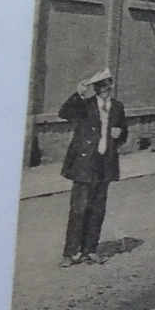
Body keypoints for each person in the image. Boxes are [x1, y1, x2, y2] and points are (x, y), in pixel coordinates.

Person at [58, 68, 128, 266]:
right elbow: (64, 113)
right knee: (79, 209)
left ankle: (90, 249)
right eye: (100, 86)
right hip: (84, 163)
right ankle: (70, 253)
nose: (105, 89)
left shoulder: (117, 107)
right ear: (95, 88)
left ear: (111, 86)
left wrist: (119, 134)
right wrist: (79, 93)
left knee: (97, 209)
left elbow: (124, 132)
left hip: (105, 163)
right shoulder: (85, 106)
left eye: (107, 85)